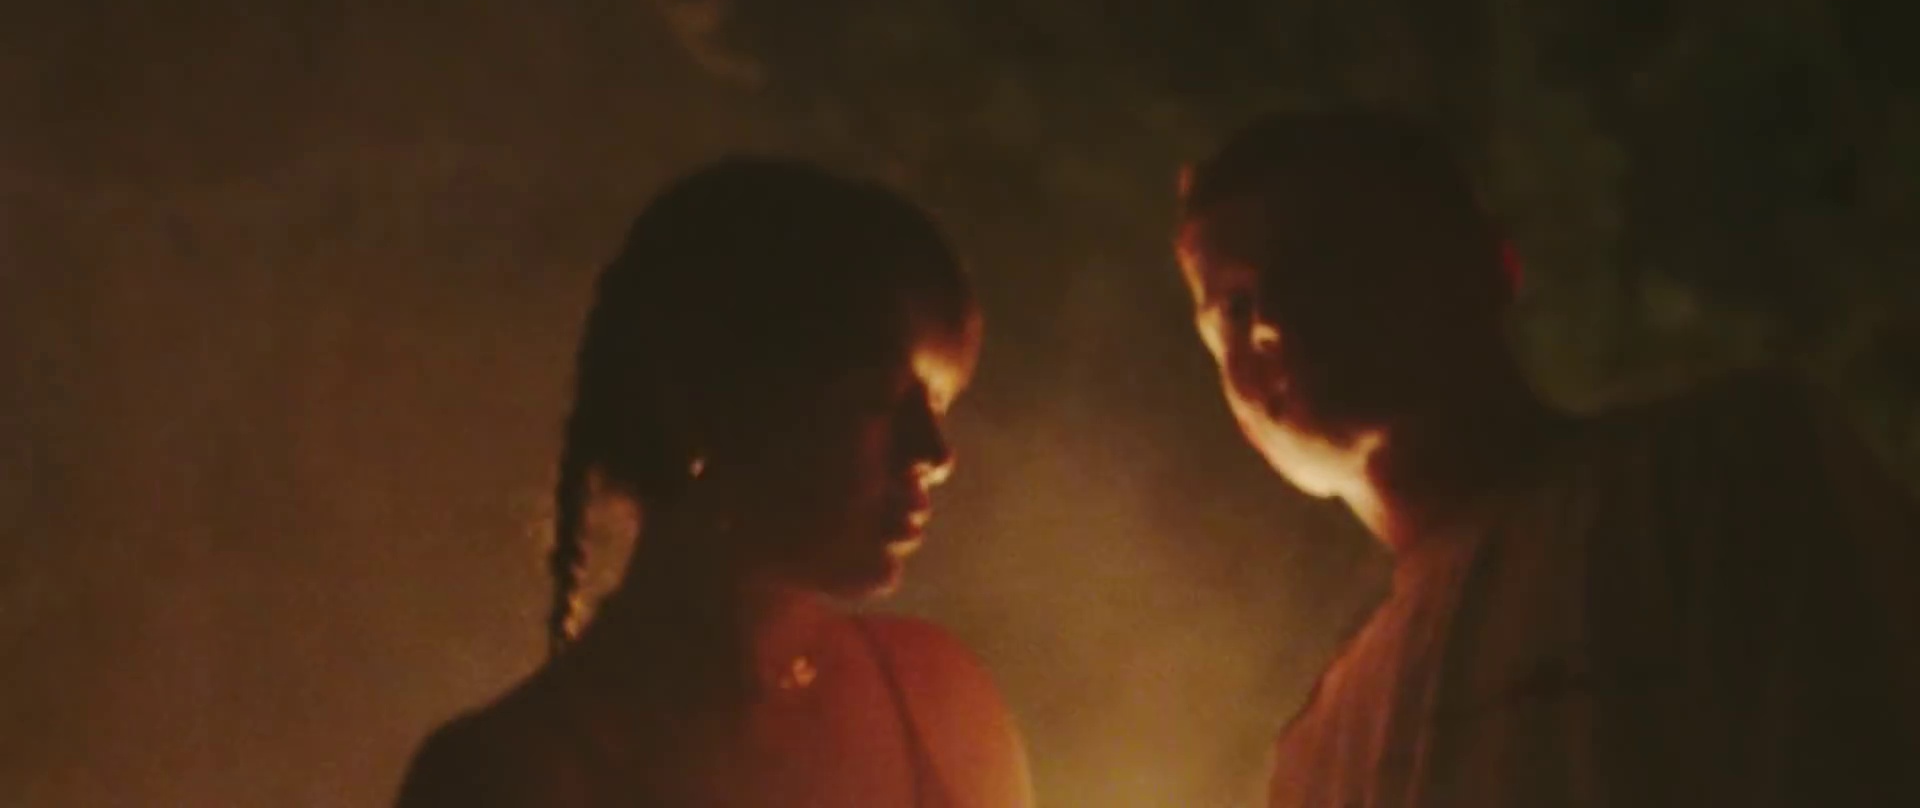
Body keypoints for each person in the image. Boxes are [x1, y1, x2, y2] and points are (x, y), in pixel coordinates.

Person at [1172, 109, 1920, 807]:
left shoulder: (1720, 473)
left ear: (1486, 265)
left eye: (1322, 258)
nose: (1272, 319)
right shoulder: (1319, 748)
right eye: (1233, 306)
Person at [395, 157, 1033, 808]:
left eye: (939, 403)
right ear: (712, 406)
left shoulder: (937, 700)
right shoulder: (511, 779)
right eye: (875, 398)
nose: (934, 452)